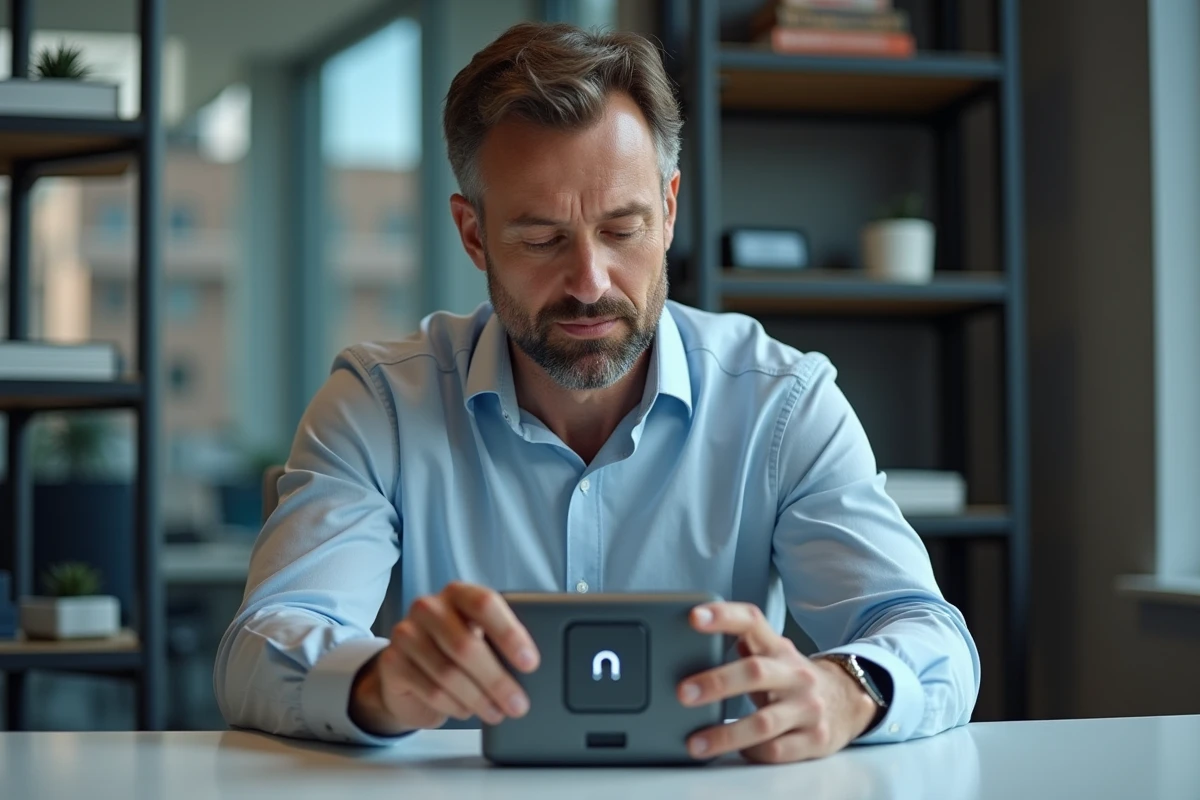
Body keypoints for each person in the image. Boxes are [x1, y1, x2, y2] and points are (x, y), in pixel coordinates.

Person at [214, 21, 979, 764]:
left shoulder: (784, 404)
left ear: (670, 207)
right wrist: (378, 684)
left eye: (622, 230)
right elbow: (261, 644)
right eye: (542, 238)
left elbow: (924, 631)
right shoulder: (377, 404)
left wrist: (845, 690)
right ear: (473, 233)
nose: (589, 283)